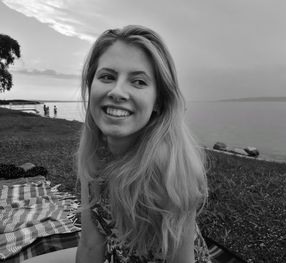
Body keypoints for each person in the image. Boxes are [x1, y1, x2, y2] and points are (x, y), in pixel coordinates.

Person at [74, 25, 211, 263]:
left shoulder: (169, 172)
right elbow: (89, 245)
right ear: (91, 85)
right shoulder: (95, 156)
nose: (117, 91)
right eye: (107, 76)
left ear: (158, 102)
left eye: (138, 82)